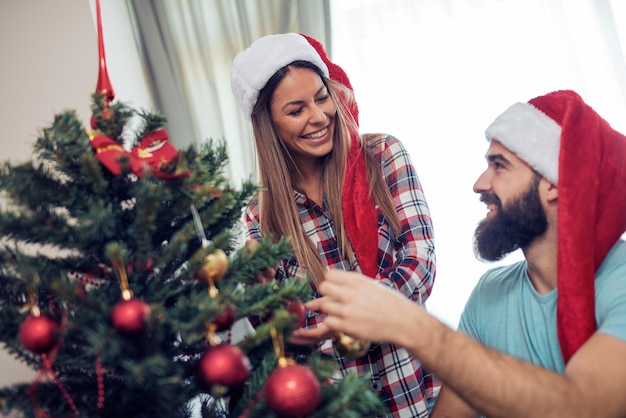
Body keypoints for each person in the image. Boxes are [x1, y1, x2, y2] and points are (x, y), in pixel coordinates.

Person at [298, 89, 626, 417]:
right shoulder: (490, 294)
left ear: (554, 182)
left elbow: (584, 409)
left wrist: (409, 324)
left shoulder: (620, 281)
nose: (480, 184)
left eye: (500, 166)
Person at [230, 33, 440, 417]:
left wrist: (345, 316)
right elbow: (283, 333)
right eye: (296, 110)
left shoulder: (383, 157)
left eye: (321, 97)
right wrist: (260, 296)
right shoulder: (260, 217)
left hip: (420, 395)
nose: (318, 116)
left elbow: (419, 264)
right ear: (269, 127)